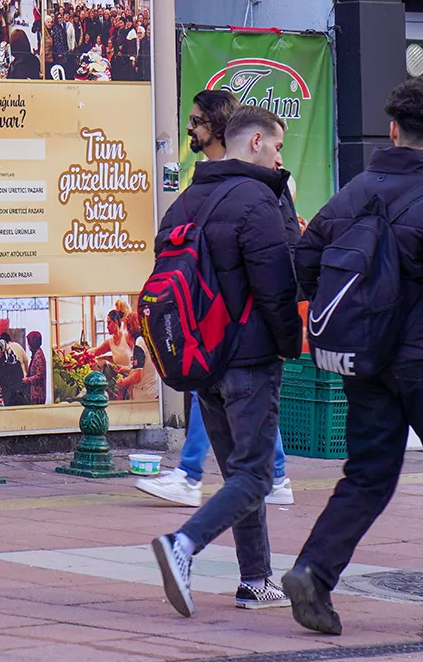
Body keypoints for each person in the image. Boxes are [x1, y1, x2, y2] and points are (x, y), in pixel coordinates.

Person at [283, 77, 423, 639]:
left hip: (368, 360)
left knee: (368, 474)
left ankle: (314, 569)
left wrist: (361, 315)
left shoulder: (356, 189)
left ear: (392, 129)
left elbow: (304, 259)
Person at [150, 105, 301, 618]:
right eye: (278, 146)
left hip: (201, 361)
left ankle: (256, 580)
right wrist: (289, 345)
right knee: (256, 475)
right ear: (256, 141)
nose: (281, 156)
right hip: (249, 357)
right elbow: (279, 285)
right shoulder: (258, 200)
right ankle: (183, 544)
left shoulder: (185, 201)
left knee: (241, 471)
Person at [138, 89, 295, 509]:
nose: (188, 126)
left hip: (222, 336)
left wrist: (283, 343)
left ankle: (192, 498)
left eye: (196, 119)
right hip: (228, 337)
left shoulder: (255, 188)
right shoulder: (213, 186)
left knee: (243, 476)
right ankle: (266, 484)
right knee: (246, 469)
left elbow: (279, 268)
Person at [0, 331, 29, 406]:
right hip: (21, 382)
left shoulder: (2, 361)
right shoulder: (17, 347)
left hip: (10, 390)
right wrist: (27, 375)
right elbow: (26, 361)